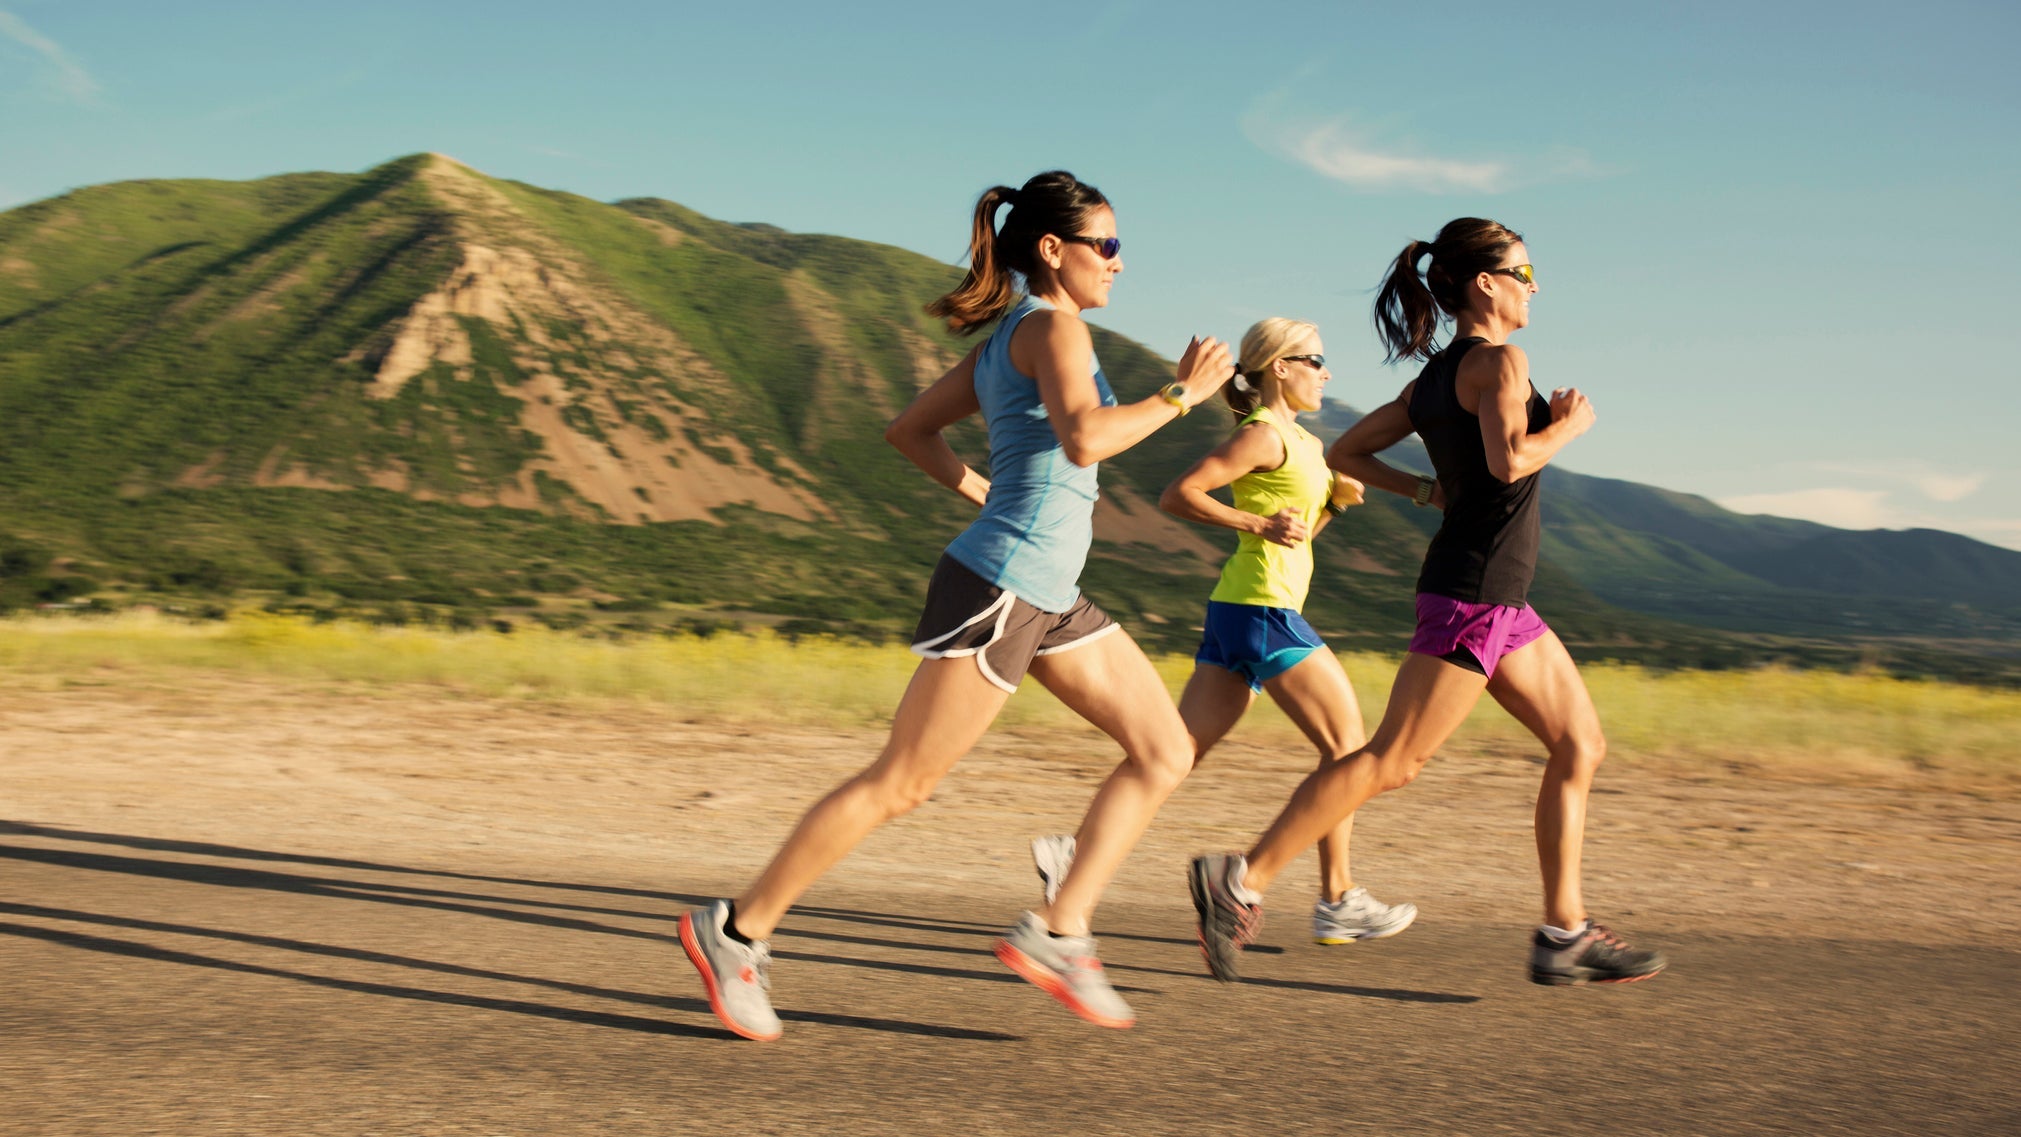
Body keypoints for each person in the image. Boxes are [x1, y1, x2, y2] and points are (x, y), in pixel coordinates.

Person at [678, 170, 1234, 1039]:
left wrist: (989, 490)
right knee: (902, 781)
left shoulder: (1011, 335)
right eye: (1109, 246)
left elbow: (909, 431)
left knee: (1164, 749)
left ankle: (1060, 929)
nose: (1120, 264)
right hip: (1003, 590)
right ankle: (736, 931)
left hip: (1047, 593)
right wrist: (1182, 395)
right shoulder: (1051, 329)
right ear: (1054, 251)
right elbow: (1086, 435)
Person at [1186, 218, 1667, 987]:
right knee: (1392, 758)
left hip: (1502, 598)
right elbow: (1509, 461)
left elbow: (1347, 452)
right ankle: (1239, 880)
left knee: (1580, 744)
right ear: (1485, 282)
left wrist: (1426, 489)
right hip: (1472, 592)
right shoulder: (1501, 362)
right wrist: (1569, 426)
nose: (1533, 286)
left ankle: (1562, 933)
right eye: (1525, 272)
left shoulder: (1436, 379)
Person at [1029, 317, 1417, 947]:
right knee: (1349, 749)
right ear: (1280, 368)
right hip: (1261, 611)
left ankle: (1073, 854)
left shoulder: (1308, 446)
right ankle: (1338, 898)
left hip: (1244, 608)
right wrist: (1252, 524)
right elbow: (1180, 494)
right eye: (1315, 361)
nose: (1326, 373)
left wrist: (1334, 508)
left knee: (1175, 752)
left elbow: (1296, 538)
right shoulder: (1262, 436)